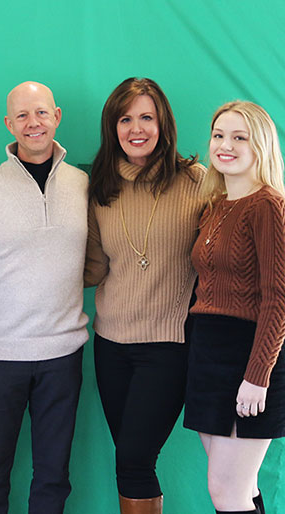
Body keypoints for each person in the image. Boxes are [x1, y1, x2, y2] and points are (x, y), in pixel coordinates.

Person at [0, 81, 89, 514]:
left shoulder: (83, 184)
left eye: (42, 113)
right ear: (9, 124)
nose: (34, 123)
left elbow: (98, 257)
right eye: (23, 116)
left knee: (54, 475)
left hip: (63, 352)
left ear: (58, 116)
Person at [85, 77, 205, 513]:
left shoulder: (198, 182)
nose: (136, 128)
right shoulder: (98, 190)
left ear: (163, 123)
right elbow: (95, 268)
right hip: (110, 345)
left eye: (146, 117)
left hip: (169, 346)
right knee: (133, 464)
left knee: (134, 459)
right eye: (125, 119)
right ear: (112, 127)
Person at [185, 101, 285, 514]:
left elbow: (278, 299)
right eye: (219, 135)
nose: (225, 145)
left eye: (239, 137)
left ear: (259, 145)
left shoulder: (268, 206)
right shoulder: (215, 207)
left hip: (247, 358)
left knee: (227, 492)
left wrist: (257, 376)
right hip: (208, 353)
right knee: (238, 487)